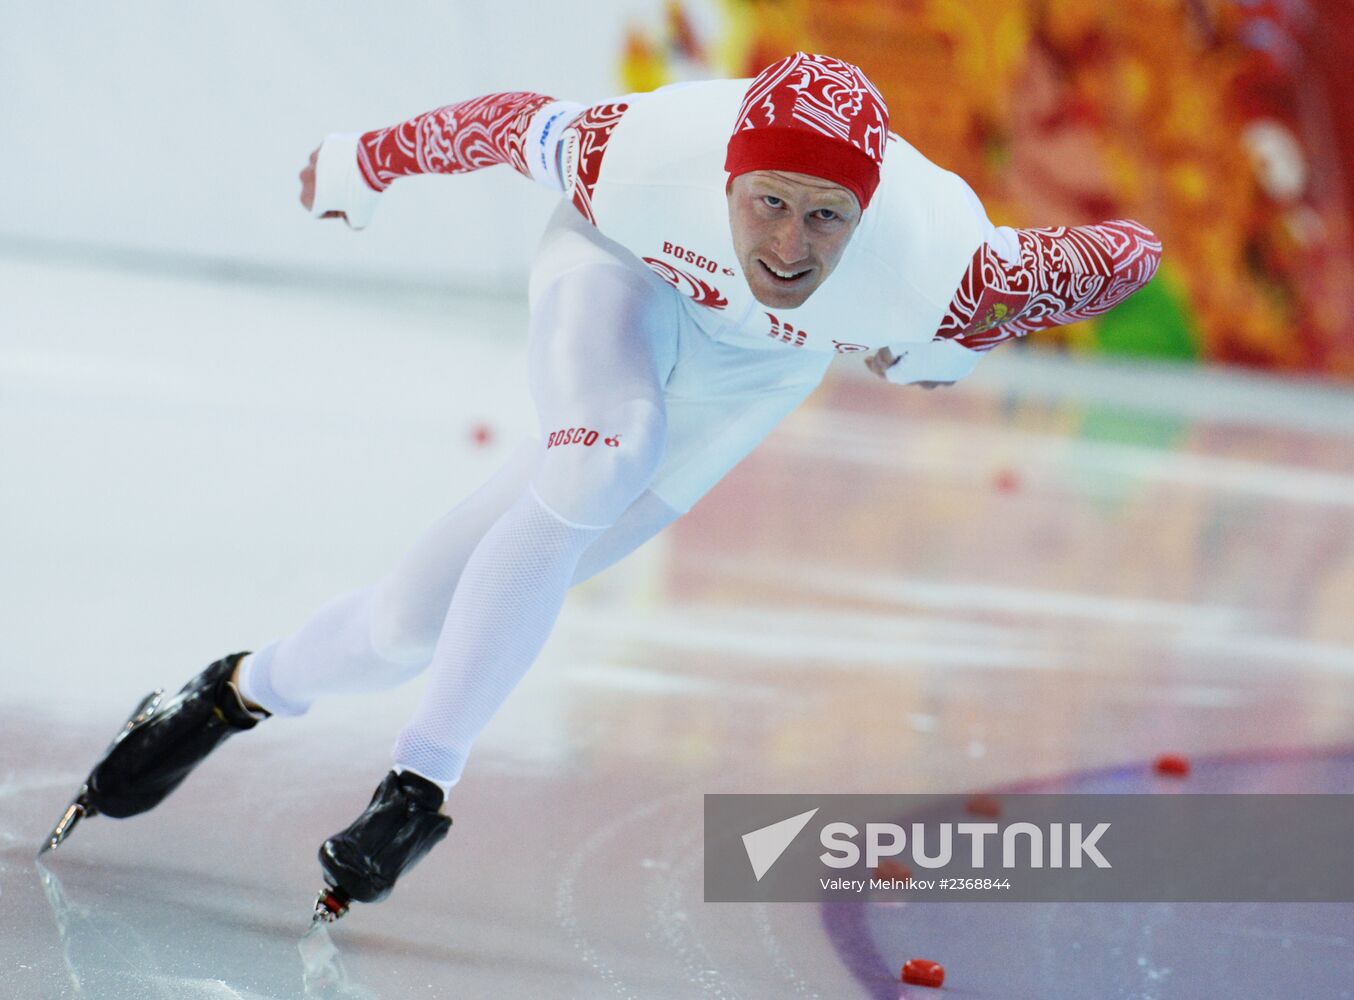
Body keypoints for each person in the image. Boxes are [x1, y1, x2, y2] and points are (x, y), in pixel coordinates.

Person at [43, 53, 1162, 920]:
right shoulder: (639, 152)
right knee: (605, 445)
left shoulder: (942, 270)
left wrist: (952, 338)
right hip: (618, 271)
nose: (787, 244)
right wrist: (359, 162)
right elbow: (490, 126)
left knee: (401, 627)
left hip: (748, 373)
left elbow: (1133, 253)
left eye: (827, 217)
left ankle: (233, 689)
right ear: (727, 171)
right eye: (767, 201)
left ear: (868, 218)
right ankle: (419, 789)